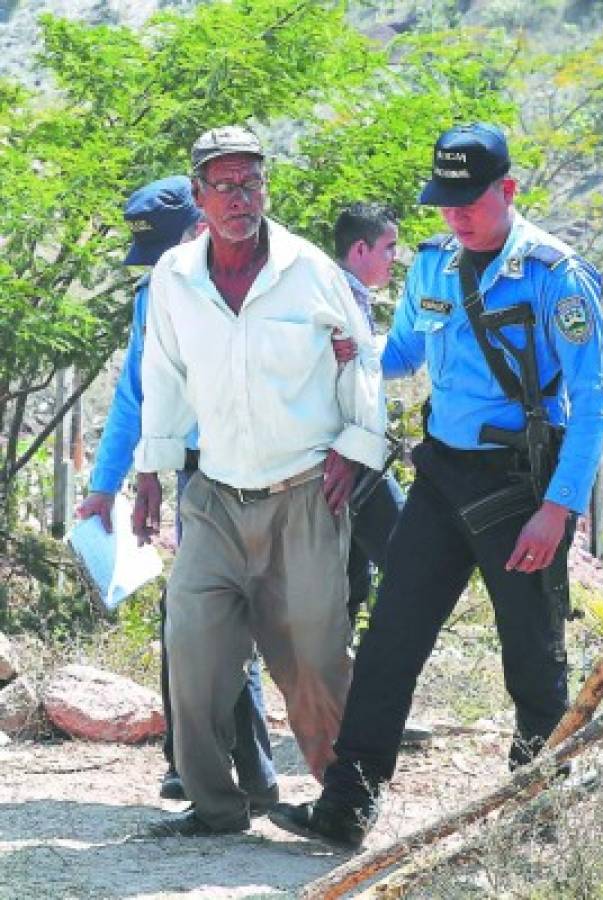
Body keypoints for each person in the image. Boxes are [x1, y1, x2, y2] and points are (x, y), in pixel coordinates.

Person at [269, 122, 603, 846]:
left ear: (508, 190)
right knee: (391, 638)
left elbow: (594, 405)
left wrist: (557, 510)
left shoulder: (556, 275)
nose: (455, 214)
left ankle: (538, 810)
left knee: (532, 652)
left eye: (470, 201)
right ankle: (345, 807)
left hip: (522, 486)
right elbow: (399, 356)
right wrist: (346, 350)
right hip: (441, 477)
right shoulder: (433, 266)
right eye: (444, 200)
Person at [132, 126, 387, 837]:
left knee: (314, 654)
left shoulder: (310, 272)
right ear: (198, 196)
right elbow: (164, 376)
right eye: (225, 185)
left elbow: (360, 364)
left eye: (252, 183)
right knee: (192, 645)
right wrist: (153, 473)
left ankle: (344, 803)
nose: (241, 198)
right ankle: (215, 807)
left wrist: (356, 447)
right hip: (213, 494)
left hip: (304, 494)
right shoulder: (175, 277)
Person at [77, 176, 277, 811]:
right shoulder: (155, 294)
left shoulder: (265, 282)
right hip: (199, 476)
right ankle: (217, 768)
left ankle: (245, 770)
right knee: (199, 619)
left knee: (234, 619)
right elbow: (135, 395)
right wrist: (106, 485)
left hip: (270, 474)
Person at [333, 203, 405, 627]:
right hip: (347, 463)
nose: (394, 258)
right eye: (388, 247)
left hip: (361, 460)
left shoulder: (353, 298)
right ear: (360, 249)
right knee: (409, 565)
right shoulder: (332, 301)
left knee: (352, 580)